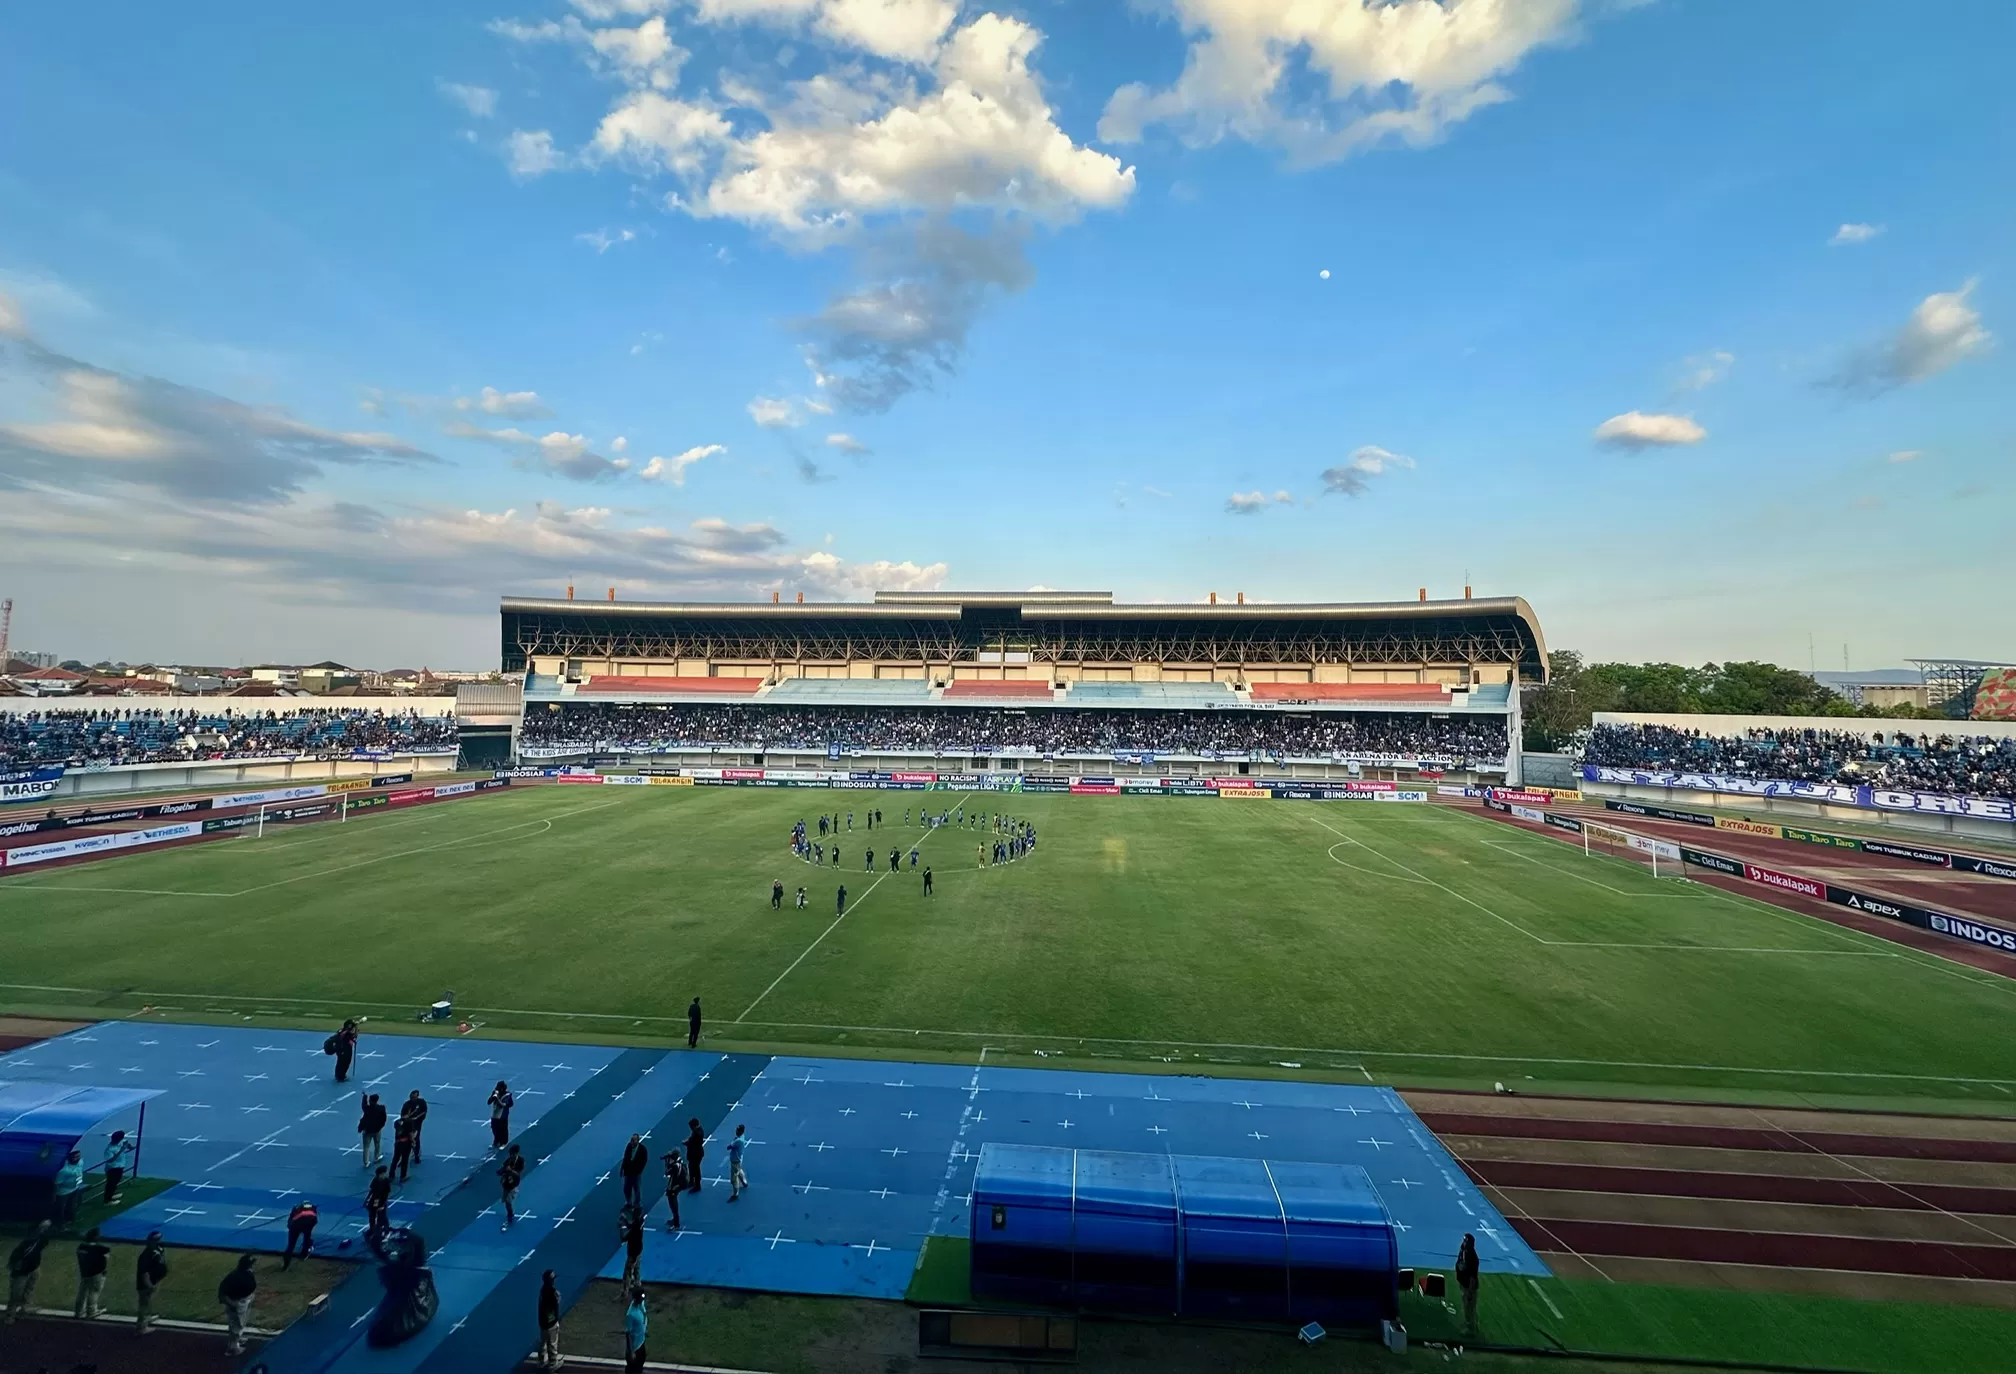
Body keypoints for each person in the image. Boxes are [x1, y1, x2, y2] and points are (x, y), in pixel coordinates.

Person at [6, 1222, 51, 1326]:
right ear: (31, 1233)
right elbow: (13, 1263)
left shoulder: (38, 1241)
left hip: (34, 1270)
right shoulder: (23, 1247)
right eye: (37, 1231)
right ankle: (10, 1316)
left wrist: (43, 1228)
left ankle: (23, 1310)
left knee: (28, 1292)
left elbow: (46, 1239)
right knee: (15, 1296)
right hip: (21, 1274)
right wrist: (16, 1270)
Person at [219, 1253, 257, 1356]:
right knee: (236, 1326)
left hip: (244, 1300)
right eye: (251, 1264)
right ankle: (232, 1348)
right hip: (237, 1302)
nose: (252, 1266)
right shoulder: (234, 1277)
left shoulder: (246, 1273)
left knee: (241, 1322)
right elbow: (222, 1292)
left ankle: (237, 1339)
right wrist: (232, 1304)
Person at [135, 1230, 168, 1334]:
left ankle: (147, 1318)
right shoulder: (146, 1255)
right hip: (145, 1284)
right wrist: (149, 1285)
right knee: (144, 1304)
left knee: (148, 1302)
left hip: (153, 1281)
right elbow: (144, 1272)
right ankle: (141, 1326)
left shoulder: (156, 1249)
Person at [73, 1225, 109, 1319]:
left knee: (82, 1292)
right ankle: (91, 1311)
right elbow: (104, 1259)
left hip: (85, 1273)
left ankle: (78, 1311)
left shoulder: (81, 1246)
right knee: (94, 1292)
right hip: (97, 1274)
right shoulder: (100, 1248)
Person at [537, 1268, 563, 1371]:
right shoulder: (553, 1292)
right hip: (550, 1322)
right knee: (552, 1343)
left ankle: (541, 1361)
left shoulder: (542, 1290)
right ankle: (553, 1363)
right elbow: (554, 1306)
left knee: (543, 1342)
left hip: (542, 1321)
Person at [1455, 1232, 1480, 1336]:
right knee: (1466, 1307)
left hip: (1468, 1286)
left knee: (1469, 1307)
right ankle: (1469, 1325)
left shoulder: (1472, 1258)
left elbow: (1472, 1277)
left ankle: (1470, 1329)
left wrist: (1470, 1291)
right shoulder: (1464, 1251)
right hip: (1463, 1283)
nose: (1464, 1242)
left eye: (1466, 1241)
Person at [282, 1199, 318, 1269]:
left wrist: (291, 1229)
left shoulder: (296, 1207)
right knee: (307, 1238)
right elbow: (315, 1219)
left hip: (297, 1225)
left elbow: (290, 1222)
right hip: (309, 1223)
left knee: (291, 1245)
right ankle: (303, 1254)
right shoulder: (313, 1207)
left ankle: (285, 1266)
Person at [101, 1128, 134, 1204]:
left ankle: (111, 1195)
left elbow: (126, 1143)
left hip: (120, 1166)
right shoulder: (109, 1149)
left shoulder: (121, 1141)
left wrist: (130, 1146)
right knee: (111, 1183)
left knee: (116, 1182)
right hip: (112, 1168)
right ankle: (107, 1200)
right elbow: (110, 1160)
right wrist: (121, 1150)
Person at [53, 1149, 85, 1223]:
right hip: (64, 1192)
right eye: (75, 1157)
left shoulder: (80, 1162)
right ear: (69, 1157)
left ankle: (70, 1220)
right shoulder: (64, 1171)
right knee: (60, 1209)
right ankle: (59, 1223)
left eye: (79, 1156)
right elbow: (57, 1184)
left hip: (75, 1188)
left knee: (72, 1206)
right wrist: (54, 1196)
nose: (78, 1158)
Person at [620, 1133, 651, 1209]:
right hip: (628, 1171)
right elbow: (625, 1157)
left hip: (636, 1173)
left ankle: (637, 1203)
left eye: (633, 1140)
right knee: (627, 1188)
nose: (632, 1142)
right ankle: (628, 1201)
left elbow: (644, 1160)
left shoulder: (642, 1149)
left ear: (638, 1141)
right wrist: (622, 1168)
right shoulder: (629, 1146)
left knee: (636, 1188)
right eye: (631, 1140)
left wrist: (640, 1170)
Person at [499, 1145, 526, 1228]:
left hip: (514, 1183)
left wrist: (511, 1171)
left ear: (517, 1153)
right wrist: (501, 1171)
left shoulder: (520, 1161)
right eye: (510, 1154)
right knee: (505, 1200)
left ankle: (510, 1214)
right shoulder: (508, 1161)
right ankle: (509, 1212)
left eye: (513, 1154)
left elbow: (518, 1173)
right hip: (506, 1182)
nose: (511, 1156)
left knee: (508, 1201)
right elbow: (502, 1169)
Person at [618, 1204, 645, 1288]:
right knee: (637, 1268)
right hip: (639, 1249)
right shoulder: (640, 1221)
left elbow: (624, 1238)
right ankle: (637, 1283)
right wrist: (625, 1219)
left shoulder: (634, 1231)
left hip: (633, 1253)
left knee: (627, 1272)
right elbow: (631, 1224)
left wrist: (621, 1227)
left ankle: (625, 1291)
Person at [623, 1287, 649, 1374]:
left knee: (640, 1364)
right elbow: (628, 1334)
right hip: (635, 1347)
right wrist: (631, 1352)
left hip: (641, 1342)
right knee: (633, 1370)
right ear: (636, 1298)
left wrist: (645, 1330)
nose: (642, 1299)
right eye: (641, 1298)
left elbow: (644, 1316)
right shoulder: (630, 1314)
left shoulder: (641, 1304)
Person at [359, 1093, 387, 1168]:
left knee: (366, 1146)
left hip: (367, 1130)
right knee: (377, 1143)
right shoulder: (381, 1108)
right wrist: (380, 1127)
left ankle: (366, 1162)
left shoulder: (367, 1108)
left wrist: (364, 1097)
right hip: (377, 1130)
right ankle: (376, 1157)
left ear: (370, 1100)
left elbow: (363, 1105)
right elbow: (384, 1119)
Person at [401, 1090, 429, 1161]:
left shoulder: (421, 1102)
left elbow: (424, 1111)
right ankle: (405, 1156)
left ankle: (416, 1155)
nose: (412, 1099)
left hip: (417, 1124)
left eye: (414, 1097)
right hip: (408, 1124)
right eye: (411, 1097)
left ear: (417, 1096)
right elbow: (402, 1115)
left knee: (416, 1139)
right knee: (406, 1140)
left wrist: (417, 1117)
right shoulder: (406, 1104)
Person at [661, 1150, 686, 1229]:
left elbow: (667, 1172)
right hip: (677, 1185)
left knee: (673, 1204)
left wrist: (666, 1162)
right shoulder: (680, 1162)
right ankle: (675, 1219)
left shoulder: (675, 1166)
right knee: (673, 1204)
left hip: (674, 1186)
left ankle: (676, 1223)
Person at [366, 1166, 393, 1238]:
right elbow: (373, 1192)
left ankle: (384, 1230)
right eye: (383, 1173)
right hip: (375, 1201)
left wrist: (382, 1205)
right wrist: (369, 1201)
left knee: (382, 1217)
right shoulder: (375, 1181)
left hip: (381, 1201)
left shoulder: (386, 1181)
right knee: (372, 1216)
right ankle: (373, 1230)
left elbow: (386, 1194)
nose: (384, 1175)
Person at [488, 1081, 515, 1150]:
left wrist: (497, 1098)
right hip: (495, 1114)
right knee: (494, 1128)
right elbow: (488, 1102)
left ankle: (504, 1142)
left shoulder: (507, 1095)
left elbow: (503, 1105)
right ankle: (496, 1140)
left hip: (503, 1115)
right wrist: (493, 1097)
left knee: (503, 1129)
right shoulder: (495, 1092)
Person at [390, 1112, 415, 1183]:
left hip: (398, 1142)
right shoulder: (409, 1122)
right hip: (406, 1143)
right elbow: (410, 1134)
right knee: (405, 1159)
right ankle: (403, 1176)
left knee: (395, 1159)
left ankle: (391, 1175)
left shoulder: (397, 1122)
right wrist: (413, 1141)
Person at [331, 1018, 358, 1083]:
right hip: (342, 1049)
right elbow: (342, 1036)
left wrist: (356, 1030)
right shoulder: (343, 1032)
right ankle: (340, 1076)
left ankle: (340, 1075)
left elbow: (354, 1036)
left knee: (344, 1062)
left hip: (345, 1049)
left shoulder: (347, 1032)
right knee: (342, 1062)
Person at [727, 1123, 748, 1202]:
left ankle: (735, 1194)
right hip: (739, 1159)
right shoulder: (741, 1137)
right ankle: (744, 1182)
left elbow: (729, 1146)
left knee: (734, 1178)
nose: (736, 1131)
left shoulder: (738, 1140)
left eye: (738, 1130)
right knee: (739, 1170)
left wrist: (730, 1145)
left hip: (735, 1160)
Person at [684, 1117, 705, 1194]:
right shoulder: (697, 1131)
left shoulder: (697, 1133)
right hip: (694, 1153)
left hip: (696, 1154)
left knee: (696, 1169)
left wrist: (687, 1143)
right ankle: (691, 1181)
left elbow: (694, 1142)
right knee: (691, 1167)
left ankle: (697, 1186)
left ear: (695, 1126)